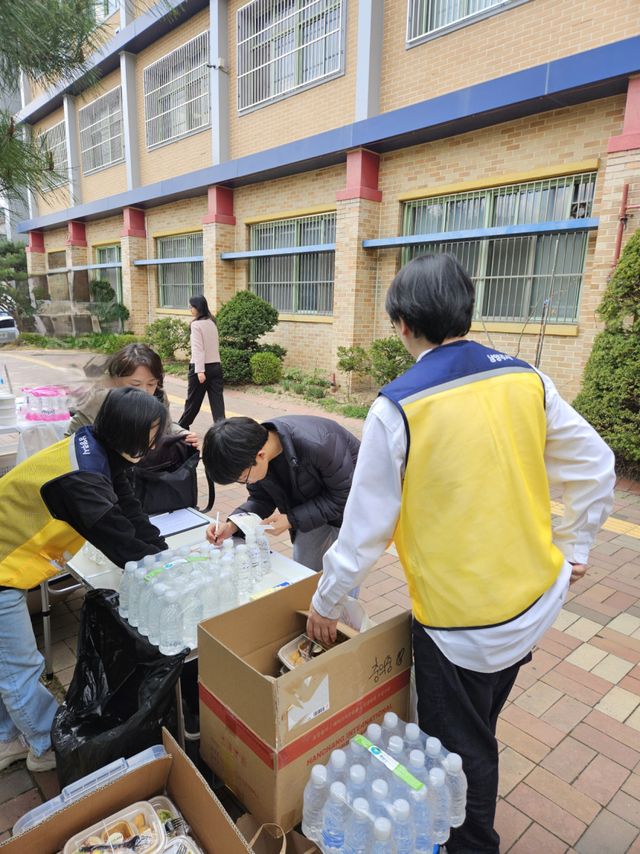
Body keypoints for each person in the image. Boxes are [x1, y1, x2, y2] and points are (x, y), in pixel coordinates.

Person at [306, 254, 616, 854]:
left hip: (459, 625)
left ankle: (472, 844)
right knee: (480, 724)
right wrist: (575, 543)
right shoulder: (526, 377)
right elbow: (596, 467)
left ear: (401, 324)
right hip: (533, 601)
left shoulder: (396, 406)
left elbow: (366, 528)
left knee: (461, 752)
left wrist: (328, 599)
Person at [0, 387, 170, 774]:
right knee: (19, 665)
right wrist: (165, 573)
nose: (153, 441)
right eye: (151, 433)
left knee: (6, 663)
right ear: (127, 432)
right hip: (1, 568)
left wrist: (161, 550)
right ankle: (44, 747)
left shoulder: (96, 445)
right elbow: (121, 542)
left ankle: (6, 738)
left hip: (9, 558)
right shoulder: (82, 477)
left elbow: (129, 508)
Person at [202, 415, 360, 571]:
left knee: (341, 578)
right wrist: (233, 525)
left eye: (243, 478)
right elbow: (261, 498)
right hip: (311, 506)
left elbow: (344, 497)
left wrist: (291, 519)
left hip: (353, 506)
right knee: (303, 573)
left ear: (261, 456)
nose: (246, 483)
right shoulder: (253, 448)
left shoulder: (320, 444)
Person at [67, 342, 198, 449]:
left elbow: (166, 427)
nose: (144, 391)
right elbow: (72, 442)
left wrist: (182, 434)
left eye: (151, 384)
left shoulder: (158, 397)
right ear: (115, 380)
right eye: (135, 384)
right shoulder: (97, 401)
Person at [178, 295, 225, 429]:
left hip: (201, 369)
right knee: (217, 403)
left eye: (191, 306)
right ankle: (223, 429)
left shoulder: (196, 324)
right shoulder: (212, 322)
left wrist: (199, 370)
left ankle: (182, 426)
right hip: (216, 367)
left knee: (193, 402)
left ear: (198, 307)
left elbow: (198, 349)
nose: (190, 309)